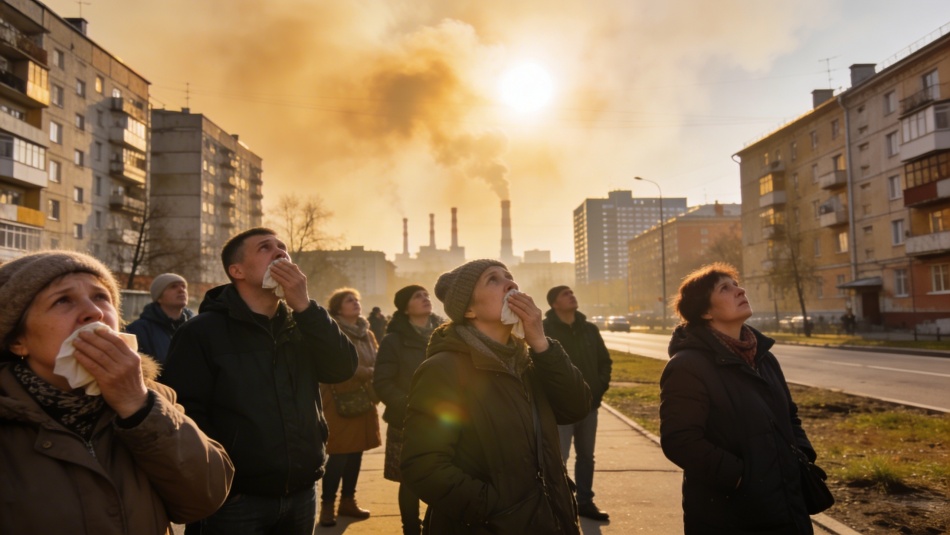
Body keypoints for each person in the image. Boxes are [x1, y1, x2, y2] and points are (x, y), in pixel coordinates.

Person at [0, 251, 234, 534]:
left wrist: (138, 407)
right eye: (63, 300)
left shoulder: (155, 398)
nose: (95, 312)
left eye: (101, 297)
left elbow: (204, 498)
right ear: (18, 341)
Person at [161, 228, 359, 535]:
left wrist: (305, 306)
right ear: (236, 271)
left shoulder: (302, 323)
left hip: (302, 491)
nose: (280, 252)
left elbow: (342, 368)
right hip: (234, 500)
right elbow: (185, 413)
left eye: (282, 247)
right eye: (265, 247)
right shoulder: (201, 332)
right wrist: (222, 478)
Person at [401, 259, 591, 534]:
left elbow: (576, 407)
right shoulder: (444, 369)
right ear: (468, 310)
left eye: (509, 276)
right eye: (493, 279)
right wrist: (496, 509)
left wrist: (541, 344)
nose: (510, 283)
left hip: (551, 521)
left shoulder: (529, 362)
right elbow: (423, 466)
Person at [659, 263, 819, 534]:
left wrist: (801, 456)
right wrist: (742, 478)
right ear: (706, 312)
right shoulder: (688, 365)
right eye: (725, 288)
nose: (740, 290)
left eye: (736, 284)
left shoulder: (764, 358)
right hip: (729, 514)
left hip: (788, 506)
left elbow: (789, 416)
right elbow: (680, 440)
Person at [373, 284, 443, 535]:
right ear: (405, 308)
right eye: (417, 296)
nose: (425, 298)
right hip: (407, 420)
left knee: (443, 477)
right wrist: (408, 406)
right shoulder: (394, 340)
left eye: (426, 295)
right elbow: (382, 382)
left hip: (444, 419)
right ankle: (411, 529)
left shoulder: (444, 334)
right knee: (410, 481)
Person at [543, 285, 613, 521]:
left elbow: (604, 362)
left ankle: (585, 502)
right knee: (558, 459)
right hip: (559, 409)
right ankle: (558, 505)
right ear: (554, 304)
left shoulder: (589, 329)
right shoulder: (544, 330)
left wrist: (598, 388)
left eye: (572, 293)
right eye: (565, 294)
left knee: (586, 456)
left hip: (589, 406)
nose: (571, 296)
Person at [318, 288, 382, 527]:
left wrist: (374, 372)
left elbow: (377, 359)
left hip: (362, 399)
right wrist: (369, 372)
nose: (356, 303)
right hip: (338, 399)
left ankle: (348, 500)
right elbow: (338, 364)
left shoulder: (367, 333)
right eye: (349, 300)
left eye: (357, 299)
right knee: (339, 454)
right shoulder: (332, 331)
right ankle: (327, 505)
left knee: (356, 452)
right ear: (337, 308)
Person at [125, 272, 195, 365]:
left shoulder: (195, 326)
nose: (181, 290)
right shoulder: (138, 330)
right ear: (159, 297)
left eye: (183, 286)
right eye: (173, 286)